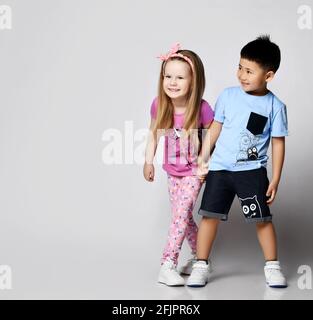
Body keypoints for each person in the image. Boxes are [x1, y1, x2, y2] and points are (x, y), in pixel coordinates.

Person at [187, 35, 289, 288]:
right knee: (209, 216)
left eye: (250, 71)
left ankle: (272, 266)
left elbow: (278, 143)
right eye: (240, 67)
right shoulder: (228, 96)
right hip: (220, 170)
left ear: (269, 75)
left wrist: (275, 177)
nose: (242, 74)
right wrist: (203, 158)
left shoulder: (275, 106)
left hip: (251, 172)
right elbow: (215, 129)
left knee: (262, 219)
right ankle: (201, 264)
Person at [143, 43, 214, 286]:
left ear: (193, 81)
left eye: (180, 77)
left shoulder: (202, 109)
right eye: (168, 76)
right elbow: (153, 134)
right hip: (172, 172)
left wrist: (205, 163)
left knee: (181, 215)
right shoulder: (159, 104)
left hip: (194, 172)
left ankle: (167, 263)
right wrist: (148, 161)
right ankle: (198, 257)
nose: (172, 82)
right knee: (182, 216)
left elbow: (216, 137)